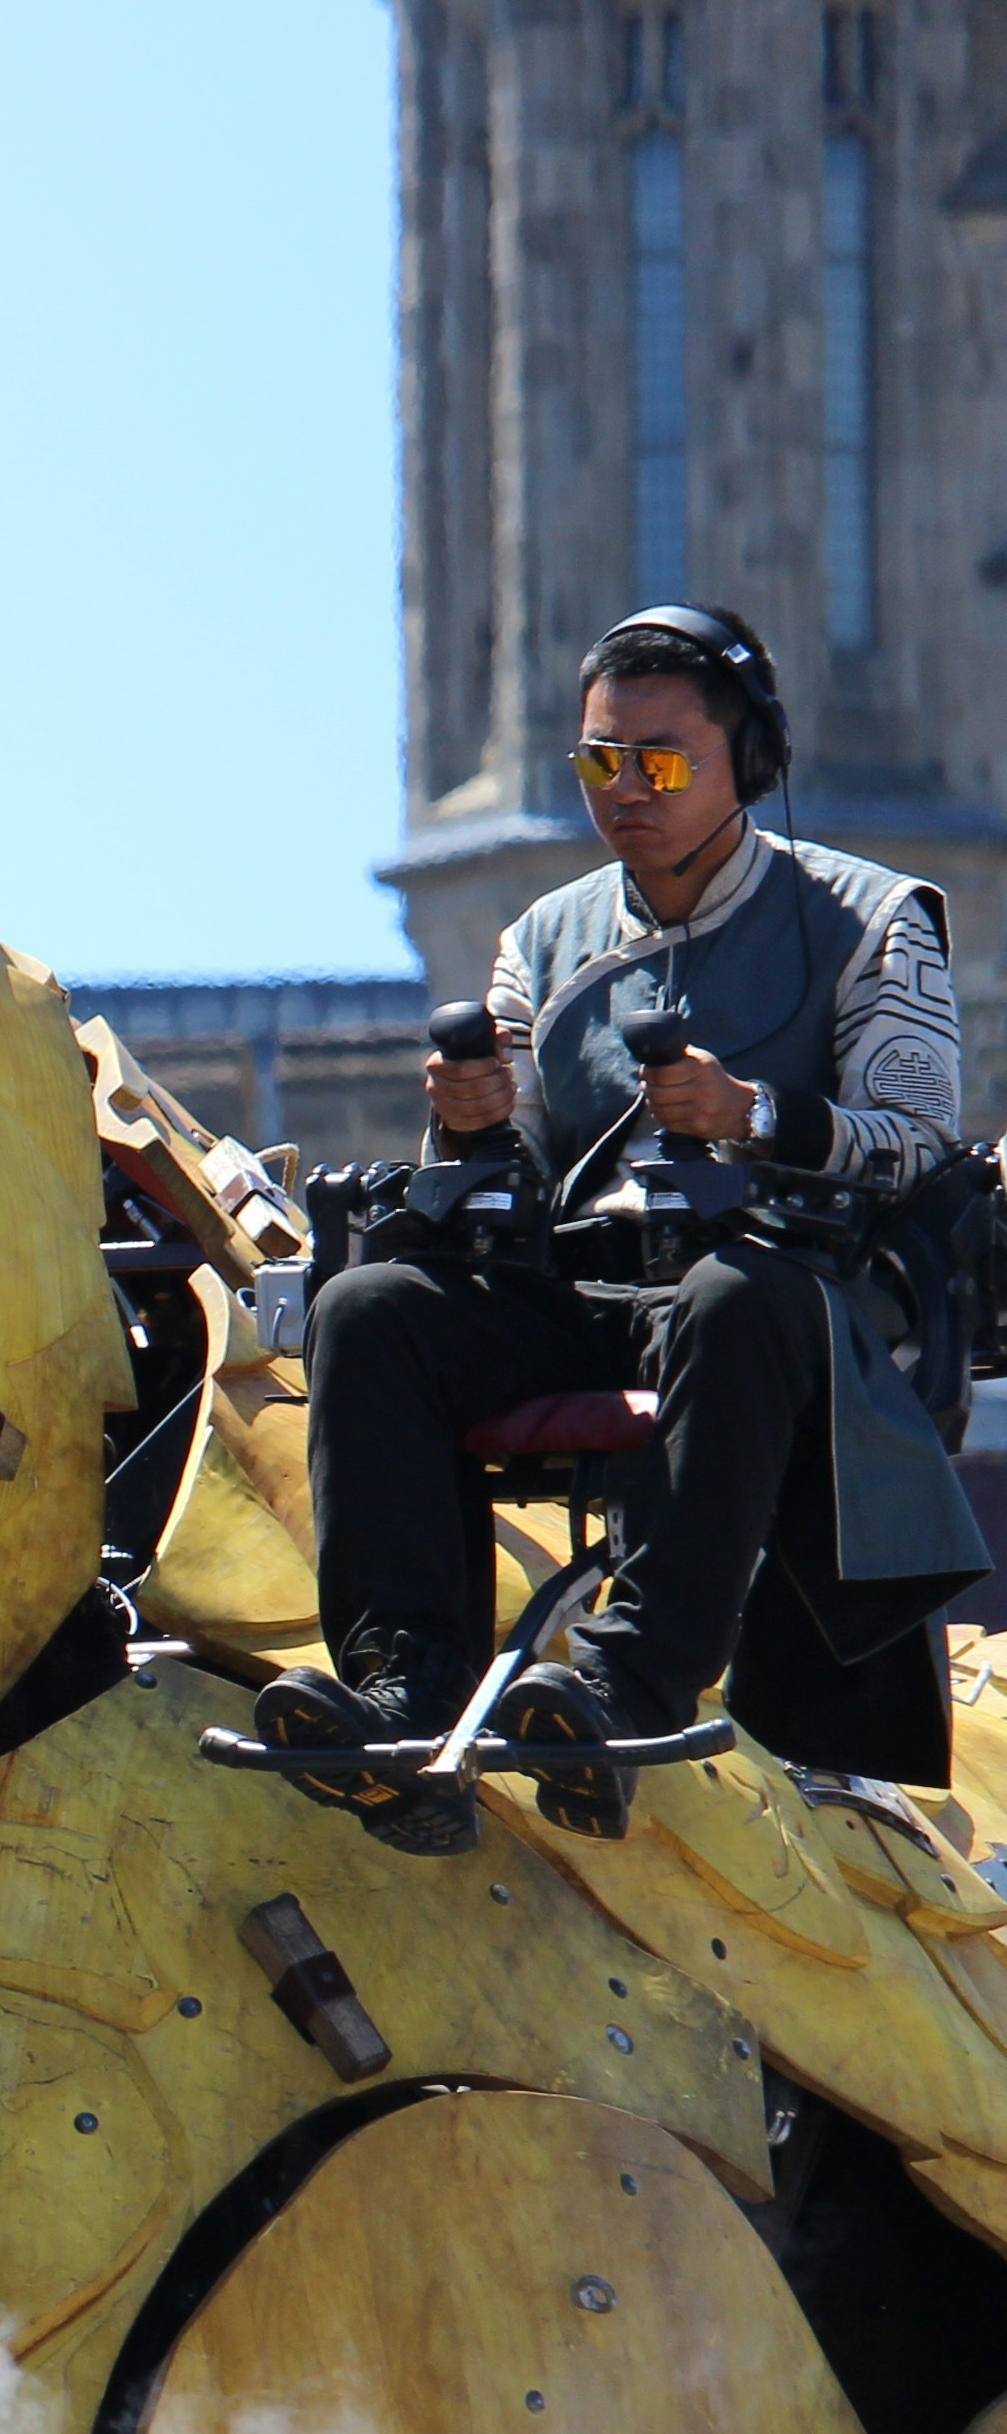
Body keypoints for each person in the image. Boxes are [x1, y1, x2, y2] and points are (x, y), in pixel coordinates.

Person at [269, 605, 966, 1851]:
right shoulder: (542, 940)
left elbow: (915, 1138)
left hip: (788, 1302)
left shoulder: (874, 918)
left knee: (729, 1298)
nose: (624, 790)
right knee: (367, 1309)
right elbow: (510, 1173)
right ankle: (404, 1684)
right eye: (601, 761)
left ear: (747, 761)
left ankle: (622, 1684)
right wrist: (472, 1127)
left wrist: (753, 1114)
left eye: (660, 760)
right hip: (590, 1298)